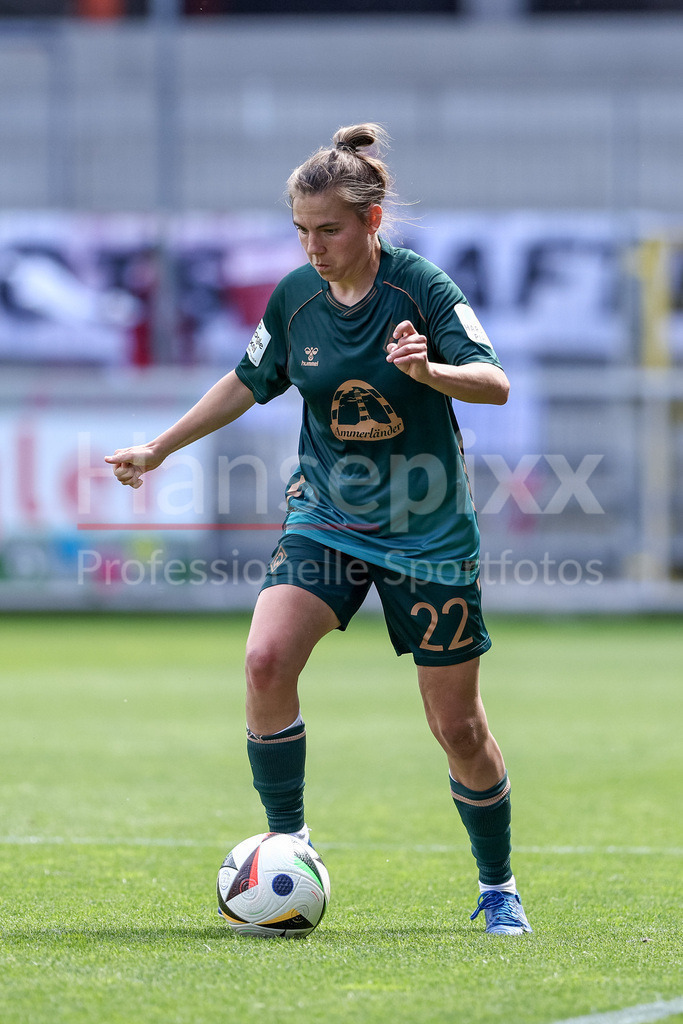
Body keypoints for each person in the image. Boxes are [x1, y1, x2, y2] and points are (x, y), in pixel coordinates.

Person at [105, 123, 532, 936]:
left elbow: (494, 382)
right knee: (265, 660)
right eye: (301, 231)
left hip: (428, 533)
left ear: (370, 222)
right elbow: (246, 379)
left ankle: (497, 885)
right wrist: (159, 448)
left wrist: (429, 371)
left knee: (458, 727)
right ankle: (289, 845)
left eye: (328, 230)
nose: (313, 247)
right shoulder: (294, 298)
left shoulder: (421, 289)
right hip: (327, 517)